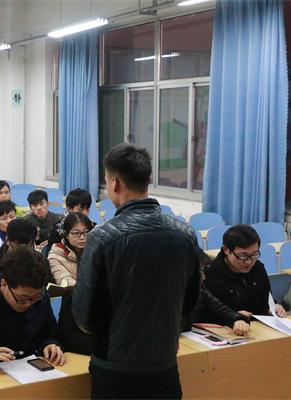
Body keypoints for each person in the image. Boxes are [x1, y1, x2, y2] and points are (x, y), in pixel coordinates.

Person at [72, 143, 200, 399]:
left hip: (116, 369)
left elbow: (84, 315)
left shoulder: (102, 238)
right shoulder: (185, 234)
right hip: (164, 365)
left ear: (115, 183)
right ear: (148, 179)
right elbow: (190, 301)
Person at [204, 225, 287, 319]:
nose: (249, 262)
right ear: (226, 250)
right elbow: (204, 314)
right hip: (226, 326)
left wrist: (273, 308)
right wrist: (232, 316)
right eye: (243, 256)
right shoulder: (210, 274)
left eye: (254, 255)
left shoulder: (258, 268)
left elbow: (266, 301)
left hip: (258, 324)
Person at [48, 212, 93, 287]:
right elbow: (64, 280)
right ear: (66, 235)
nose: (82, 237)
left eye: (86, 232)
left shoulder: (96, 250)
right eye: (76, 233)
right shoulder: (56, 255)